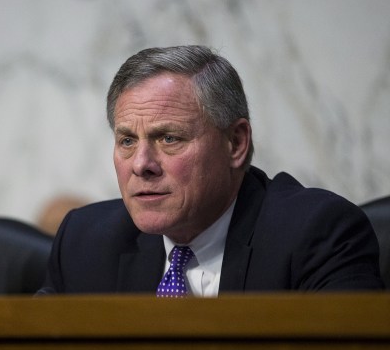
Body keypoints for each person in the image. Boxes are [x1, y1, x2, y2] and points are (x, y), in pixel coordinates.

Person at [38, 45, 384, 296]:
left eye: (169, 138)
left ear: (235, 143)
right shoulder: (84, 244)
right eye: (127, 141)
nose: (141, 164)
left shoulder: (318, 236)